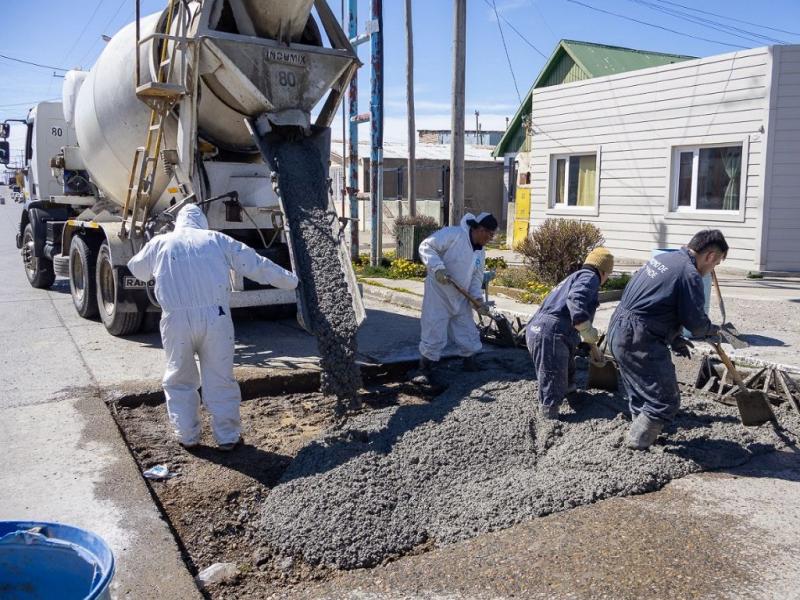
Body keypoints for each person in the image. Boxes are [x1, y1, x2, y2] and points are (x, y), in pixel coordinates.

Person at [128, 204, 298, 450]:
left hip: (175, 320)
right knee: (220, 378)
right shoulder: (217, 239)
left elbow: (137, 269)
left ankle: (187, 437)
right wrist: (292, 282)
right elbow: (257, 264)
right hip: (215, 318)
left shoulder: (160, 243)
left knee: (179, 378)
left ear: (178, 222)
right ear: (202, 222)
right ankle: (227, 437)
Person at [608, 230, 726, 450]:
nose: (712, 269)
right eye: (716, 264)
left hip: (619, 330)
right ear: (709, 256)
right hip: (639, 339)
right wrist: (713, 331)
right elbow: (695, 322)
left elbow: (657, 305)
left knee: (641, 392)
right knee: (664, 400)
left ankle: (642, 435)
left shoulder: (663, 259)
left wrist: (674, 338)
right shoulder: (689, 274)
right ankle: (635, 445)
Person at [525, 247, 615, 420]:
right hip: (550, 331)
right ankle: (549, 415)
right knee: (552, 376)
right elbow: (576, 300)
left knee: (565, 367)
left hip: (547, 329)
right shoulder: (590, 278)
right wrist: (585, 327)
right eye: (608, 276)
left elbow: (579, 318)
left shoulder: (574, 277)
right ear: (603, 271)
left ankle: (572, 395)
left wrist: (594, 350)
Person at [416, 212, 498, 379]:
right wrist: (438, 268)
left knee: (467, 330)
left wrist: (477, 300)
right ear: (481, 229)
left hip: (461, 296)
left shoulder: (480, 253)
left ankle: (469, 362)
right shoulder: (453, 235)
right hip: (439, 293)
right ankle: (425, 368)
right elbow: (426, 246)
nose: (490, 238)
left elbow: (476, 278)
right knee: (434, 329)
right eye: (490, 234)